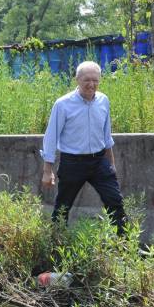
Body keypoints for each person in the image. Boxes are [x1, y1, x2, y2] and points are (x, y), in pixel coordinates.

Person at [41, 61, 126, 234]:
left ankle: (124, 245)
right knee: (62, 208)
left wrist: (111, 164)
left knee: (115, 202)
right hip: (72, 163)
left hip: (99, 162)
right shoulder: (63, 104)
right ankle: (56, 247)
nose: (91, 84)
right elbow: (51, 137)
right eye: (87, 80)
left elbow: (106, 135)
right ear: (77, 79)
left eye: (95, 80)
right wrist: (47, 170)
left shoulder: (104, 101)